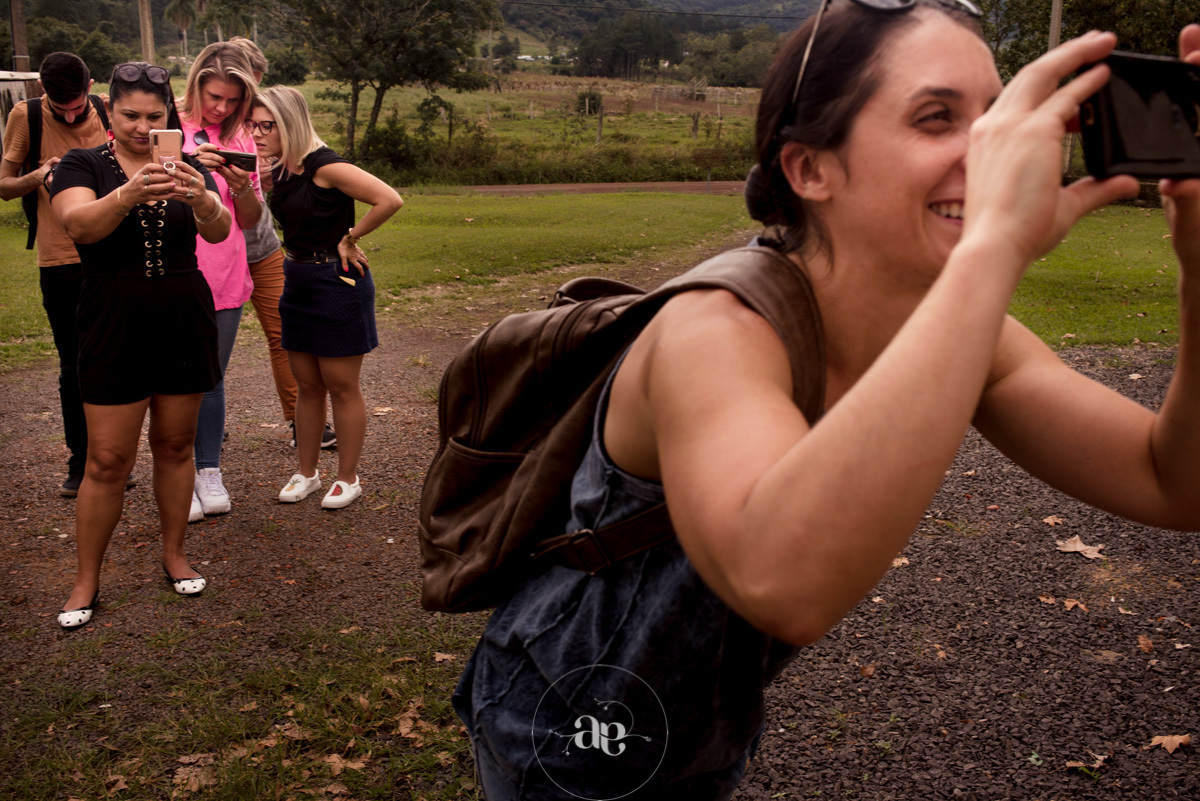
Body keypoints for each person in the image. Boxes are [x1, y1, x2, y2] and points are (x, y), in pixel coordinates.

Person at [451, 2, 1200, 798]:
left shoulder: (956, 326)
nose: (990, 151)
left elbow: (1170, 480)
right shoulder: (714, 329)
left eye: (997, 116)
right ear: (809, 168)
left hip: (705, 718)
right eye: (936, 117)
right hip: (569, 724)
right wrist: (994, 245)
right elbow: (783, 581)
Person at [49, 62, 231, 629]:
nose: (141, 126)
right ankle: (86, 579)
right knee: (106, 459)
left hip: (182, 313)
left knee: (176, 446)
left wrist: (202, 198)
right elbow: (79, 226)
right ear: (109, 109)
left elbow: (221, 231)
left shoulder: (189, 164)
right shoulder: (83, 163)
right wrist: (128, 192)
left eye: (155, 116)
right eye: (130, 115)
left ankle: (175, 555)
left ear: (169, 116)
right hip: (112, 316)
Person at [246, 87, 402, 510]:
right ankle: (307, 472)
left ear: (290, 124)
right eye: (253, 125)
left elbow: (390, 198)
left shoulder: (327, 166)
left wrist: (351, 237)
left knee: (341, 385)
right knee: (307, 386)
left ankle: (347, 478)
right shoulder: (282, 168)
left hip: (336, 281)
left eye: (267, 125)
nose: (257, 134)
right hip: (295, 278)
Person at [0, 52, 112, 496]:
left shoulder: (105, 109)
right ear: (45, 93)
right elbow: (4, 186)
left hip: (109, 255)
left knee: (112, 361)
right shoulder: (24, 115)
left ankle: (111, 459)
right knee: (75, 364)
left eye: (77, 104)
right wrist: (40, 174)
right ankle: (80, 462)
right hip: (61, 260)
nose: (71, 113)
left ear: (89, 87)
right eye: (60, 106)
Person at [227, 36, 336, 451]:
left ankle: (300, 422)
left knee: (283, 335)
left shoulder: (267, 127)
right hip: (219, 251)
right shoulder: (210, 126)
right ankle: (205, 425)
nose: (248, 103)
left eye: (253, 87)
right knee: (211, 341)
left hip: (263, 246)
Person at [177, 41, 262, 521]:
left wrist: (240, 180)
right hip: (173, 267)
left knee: (210, 376)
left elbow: (249, 220)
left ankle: (209, 470)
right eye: (215, 97)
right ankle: (178, 473)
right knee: (171, 377)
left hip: (225, 270)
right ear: (196, 86)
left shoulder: (241, 135)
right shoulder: (168, 125)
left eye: (232, 100)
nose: (222, 107)